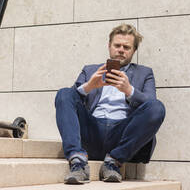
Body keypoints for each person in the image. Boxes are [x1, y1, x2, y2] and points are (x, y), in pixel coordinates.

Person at [55, 24, 165, 184]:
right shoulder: (90, 70)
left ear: (134, 51)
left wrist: (129, 90)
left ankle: (114, 162)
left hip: (121, 136)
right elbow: (69, 100)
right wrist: (89, 86)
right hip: (91, 132)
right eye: (117, 45)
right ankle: (78, 162)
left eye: (126, 47)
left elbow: (152, 106)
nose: (121, 50)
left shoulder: (145, 73)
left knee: (158, 107)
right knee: (64, 92)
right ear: (109, 46)